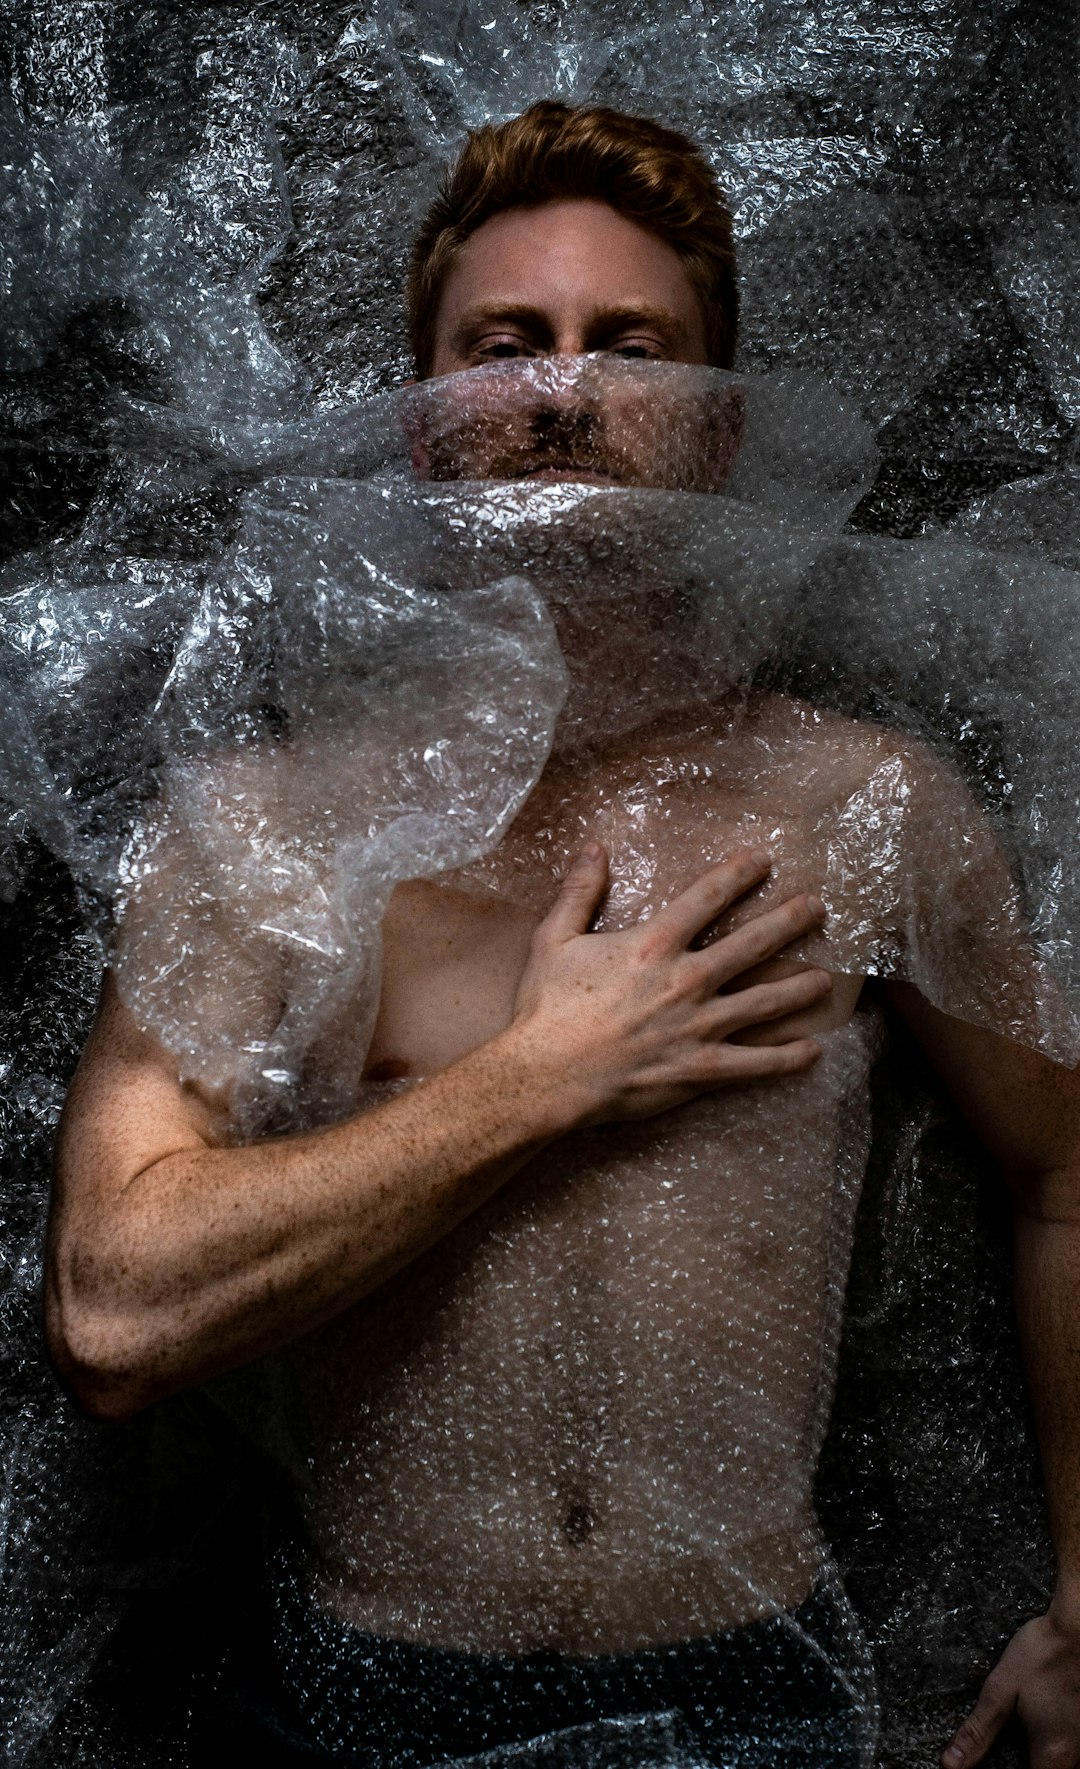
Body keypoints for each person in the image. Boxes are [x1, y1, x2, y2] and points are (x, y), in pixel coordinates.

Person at [44, 102, 1080, 1768]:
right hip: (361, 1695)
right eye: (504, 345)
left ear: (722, 430)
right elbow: (113, 1315)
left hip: (760, 1691)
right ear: (425, 423)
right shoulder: (266, 829)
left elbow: (1066, 1166)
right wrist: (539, 1077)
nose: (563, 392)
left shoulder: (866, 804)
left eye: (632, 345)